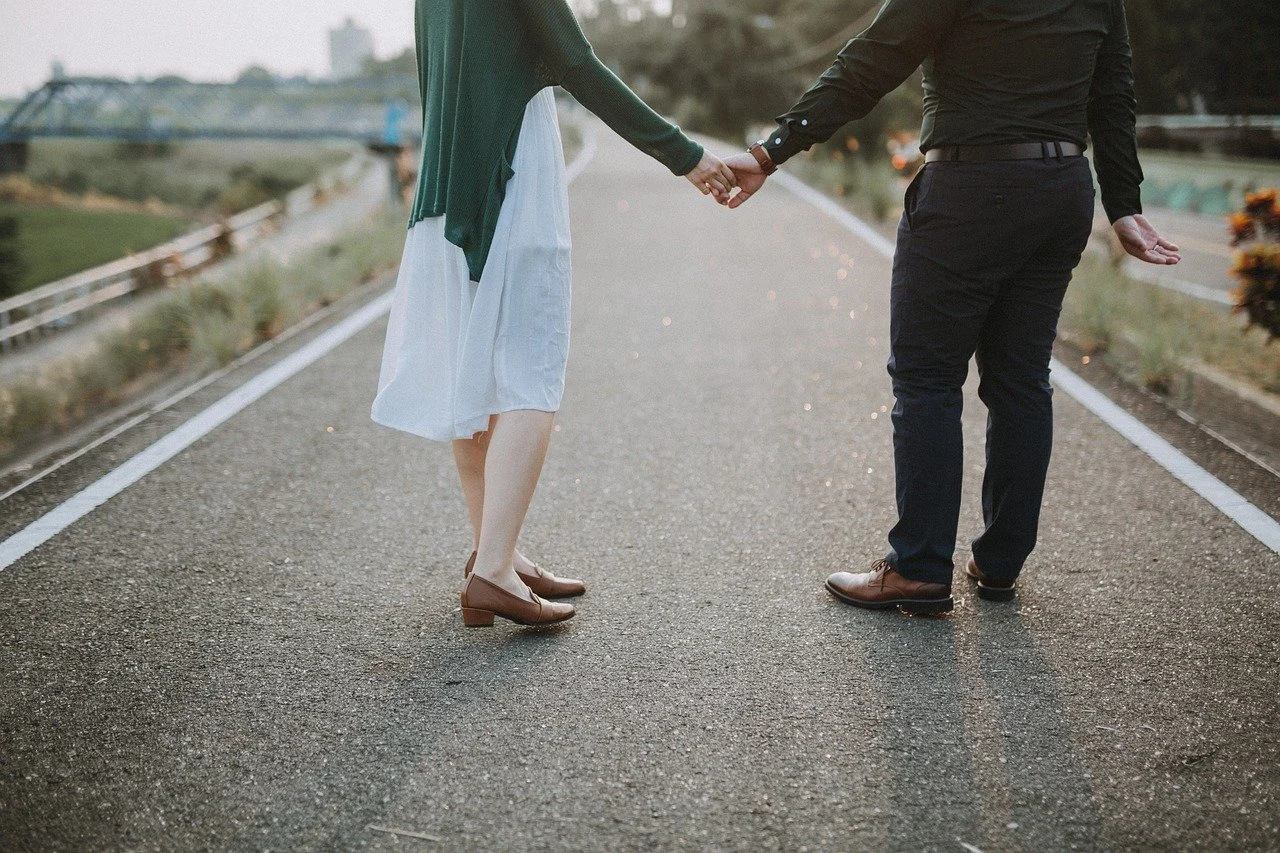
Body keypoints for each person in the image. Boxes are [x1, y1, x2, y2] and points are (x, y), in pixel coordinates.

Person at [723, 0, 1181, 614]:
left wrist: (769, 152)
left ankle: (917, 566)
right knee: (1020, 380)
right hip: (1060, 190)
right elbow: (1113, 94)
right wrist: (1123, 203)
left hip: (969, 188)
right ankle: (998, 564)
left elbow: (871, 63)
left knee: (928, 378)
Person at [371, 0, 736, 627]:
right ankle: (492, 574)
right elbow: (579, 65)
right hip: (512, 178)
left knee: (474, 380)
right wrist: (685, 156)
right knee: (530, 375)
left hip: (445, 185)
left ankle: (499, 554)